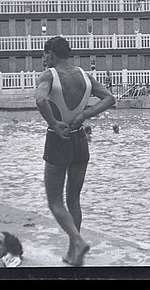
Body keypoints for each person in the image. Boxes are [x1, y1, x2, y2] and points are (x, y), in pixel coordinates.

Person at [34, 36, 115, 267]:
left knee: (55, 202)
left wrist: (53, 123)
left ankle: (78, 242)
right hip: (80, 139)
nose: (44, 59)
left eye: (45, 55)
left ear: (50, 54)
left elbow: (40, 100)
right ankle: (73, 253)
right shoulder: (84, 75)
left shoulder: (49, 75)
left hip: (58, 138)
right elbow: (109, 98)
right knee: (74, 200)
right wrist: (84, 115)